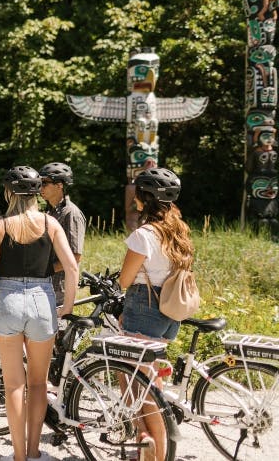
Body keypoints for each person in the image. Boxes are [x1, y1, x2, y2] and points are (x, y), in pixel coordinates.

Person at [0, 166, 78, 461]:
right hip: (42, 300)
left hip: (7, 299)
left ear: (9, 192)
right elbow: (71, 266)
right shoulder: (50, 223)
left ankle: (18, 456)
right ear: (37, 192)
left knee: (13, 384)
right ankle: (34, 452)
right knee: (37, 384)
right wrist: (68, 306)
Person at [118, 167, 193, 461]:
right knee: (148, 382)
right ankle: (143, 440)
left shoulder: (143, 235)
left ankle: (159, 452)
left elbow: (125, 280)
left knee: (141, 387)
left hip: (144, 307)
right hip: (170, 313)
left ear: (143, 199)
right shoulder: (179, 230)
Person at [39, 162, 86, 306]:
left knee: (57, 328)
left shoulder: (71, 213)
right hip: (46, 283)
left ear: (60, 185)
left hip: (59, 288)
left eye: (45, 183)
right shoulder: (50, 212)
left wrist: (43, 271)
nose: (40, 187)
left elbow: (75, 256)